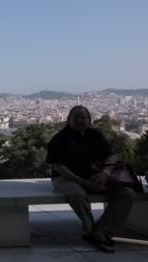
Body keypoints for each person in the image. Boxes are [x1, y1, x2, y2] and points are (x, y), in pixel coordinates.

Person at [47, 106, 136, 253]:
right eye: (76, 117)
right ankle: (91, 230)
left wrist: (105, 174)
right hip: (66, 178)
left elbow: (111, 155)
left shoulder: (96, 135)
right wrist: (84, 183)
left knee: (127, 194)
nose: (80, 120)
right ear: (68, 120)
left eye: (84, 117)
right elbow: (59, 167)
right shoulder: (60, 139)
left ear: (89, 120)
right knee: (77, 195)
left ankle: (101, 230)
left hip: (96, 176)